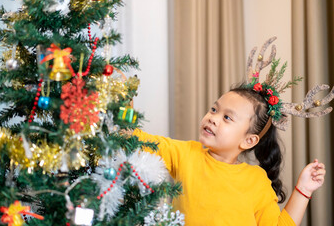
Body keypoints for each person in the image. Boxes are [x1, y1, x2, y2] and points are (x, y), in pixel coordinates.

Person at [126, 38, 331, 225]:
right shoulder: (185, 154)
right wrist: (124, 106)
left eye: (227, 118)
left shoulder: (256, 180)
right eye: (214, 109)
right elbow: (135, 139)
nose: (212, 118)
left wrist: (303, 190)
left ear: (249, 141)